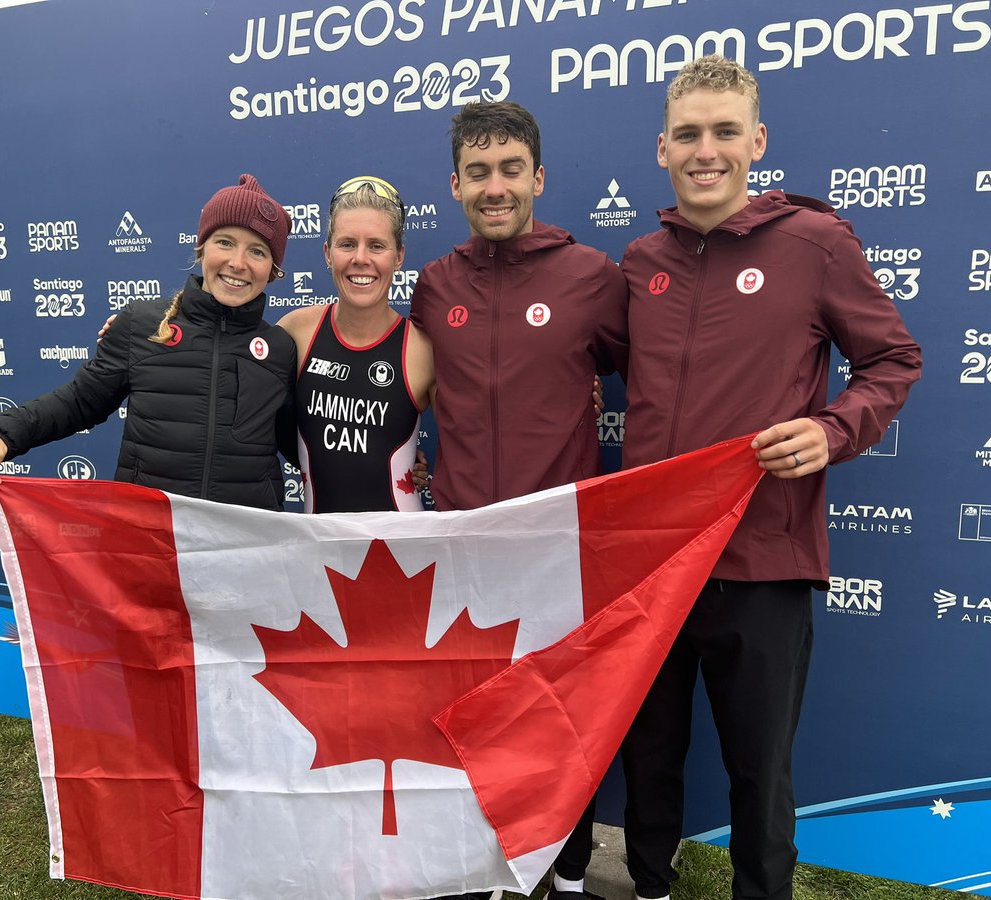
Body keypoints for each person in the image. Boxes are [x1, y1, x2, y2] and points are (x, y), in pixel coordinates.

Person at [555, 56, 922, 900]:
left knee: (760, 772)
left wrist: (835, 430)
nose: (705, 150)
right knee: (648, 753)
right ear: (661, 148)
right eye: (688, 134)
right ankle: (648, 886)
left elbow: (893, 359)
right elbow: (569, 363)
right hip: (654, 564)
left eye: (724, 131)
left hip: (765, 559)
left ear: (757, 141)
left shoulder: (816, 243)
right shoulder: (642, 259)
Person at [409, 100, 628, 900]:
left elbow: (670, 380)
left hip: (557, 547)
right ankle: (484, 868)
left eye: (509, 170)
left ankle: (569, 873)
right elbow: (375, 360)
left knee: (567, 718)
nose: (494, 187)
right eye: (478, 173)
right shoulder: (435, 286)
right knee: (473, 713)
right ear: (456, 186)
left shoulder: (592, 277)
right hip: (464, 545)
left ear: (537, 177)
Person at [0, 174, 297, 508]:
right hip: (149, 536)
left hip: (244, 547)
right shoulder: (141, 324)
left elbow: (306, 445)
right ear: (201, 248)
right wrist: (4, 433)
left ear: (273, 268)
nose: (238, 263)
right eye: (224, 242)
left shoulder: (280, 349)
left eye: (257, 251)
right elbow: (80, 401)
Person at [278, 176, 434, 512]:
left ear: (399, 256)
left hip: (404, 558)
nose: (360, 258)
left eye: (376, 246)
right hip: (319, 555)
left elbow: (475, 449)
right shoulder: (295, 331)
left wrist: (415, 467)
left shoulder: (422, 350)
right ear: (327, 253)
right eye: (347, 244)